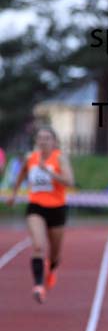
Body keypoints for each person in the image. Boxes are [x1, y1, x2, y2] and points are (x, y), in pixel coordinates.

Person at [7, 127, 74, 303]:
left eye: (47, 138)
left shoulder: (59, 158)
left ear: (54, 141)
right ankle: (38, 285)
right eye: (40, 138)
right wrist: (14, 194)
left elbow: (69, 182)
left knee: (55, 254)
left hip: (57, 208)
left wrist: (50, 172)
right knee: (37, 246)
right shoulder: (31, 158)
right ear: (36, 141)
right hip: (36, 206)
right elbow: (21, 174)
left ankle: (51, 269)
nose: (43, 141)